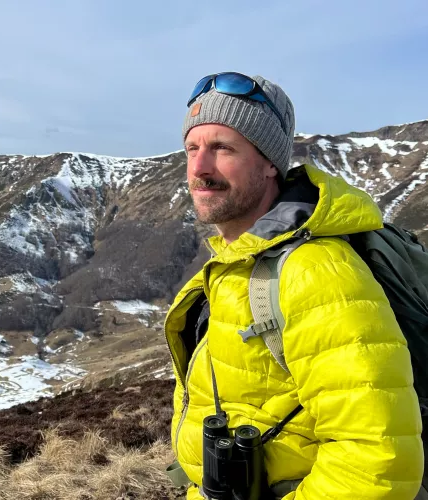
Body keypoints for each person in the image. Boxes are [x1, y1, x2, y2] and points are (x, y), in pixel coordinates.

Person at [165, 72, 425, 498]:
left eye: (222, 148)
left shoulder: (315, 272)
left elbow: (376, 463)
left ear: (270, 162)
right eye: (192, 148)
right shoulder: (239, 262)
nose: (199, 168)